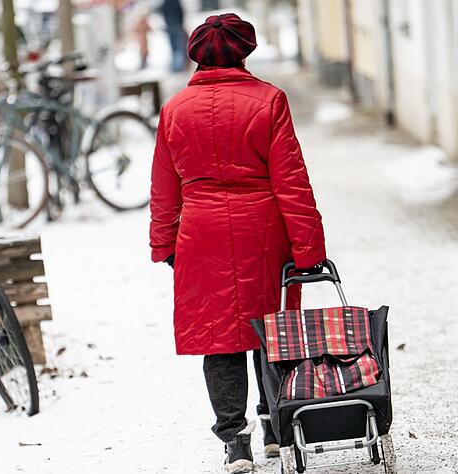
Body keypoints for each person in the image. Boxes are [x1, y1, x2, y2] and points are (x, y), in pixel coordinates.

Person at [148, 13, 326, 473]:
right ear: (245, 52)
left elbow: (164, 188)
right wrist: (309, 249)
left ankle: (234, 442)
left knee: (218, 338)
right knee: (272, 333)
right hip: (263, 233)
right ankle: (274, 428)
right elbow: (291, 181)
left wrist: (165, 243)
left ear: (196, 56)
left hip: (201, 235)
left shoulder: (174, 110)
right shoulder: (269, 101)